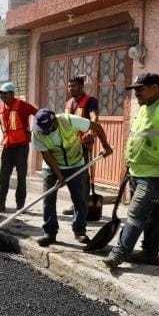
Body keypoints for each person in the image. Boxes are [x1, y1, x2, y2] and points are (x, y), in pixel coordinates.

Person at [105, 72, 159, 268]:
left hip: (155, 174)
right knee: (152, 215)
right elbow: (136, 139)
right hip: (137, 171)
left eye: (140, 89)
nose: (136, 94)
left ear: (155, 88)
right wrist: (128, 166)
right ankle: (150, 252)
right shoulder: (144, 109)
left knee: (136, 213)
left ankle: (119, 253)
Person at [31, 109, 113, 247]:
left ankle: (79, 231)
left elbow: (96, 127)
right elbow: (46, 155)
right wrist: (59, 175)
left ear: (55, 122)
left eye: (47, 129)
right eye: (42, 129)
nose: (44, 132)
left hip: (76, 164)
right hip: (52, 166)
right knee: (48, 199)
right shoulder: (37, 132)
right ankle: (49, 233)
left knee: (80, 199)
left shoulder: (68, 120)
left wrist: (106, 146)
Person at [0, 82, 38, 213]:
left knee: (21, 177)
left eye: (4, 94)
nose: (2, 96)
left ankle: (20, 206)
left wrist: (39, 130)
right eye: (1, 94)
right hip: (8, 146)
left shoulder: (22, 106)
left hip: (21, 147)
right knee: (3, 177)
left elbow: (39, 114)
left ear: (11, 94)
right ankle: (0, 204)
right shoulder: (0, 107)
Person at [62, 75, 100, 215]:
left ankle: (82, 205)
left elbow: (94, 117)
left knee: (83, 176)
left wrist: (91, 130)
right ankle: (76, 204)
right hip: (70, 145)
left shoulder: (90, 101)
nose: (71, 88)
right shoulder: (68, 103)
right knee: (72, 176)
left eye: (74, 86)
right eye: (69, 86)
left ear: (81, 87)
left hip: (83, 144)